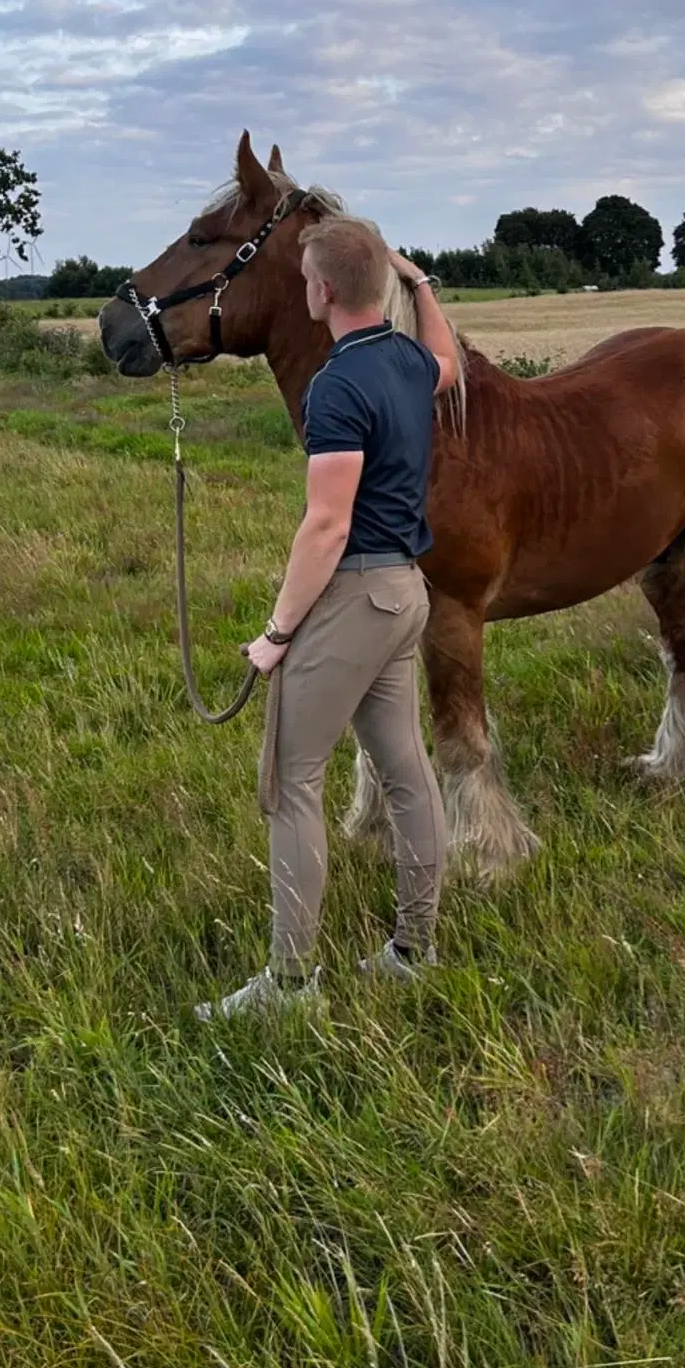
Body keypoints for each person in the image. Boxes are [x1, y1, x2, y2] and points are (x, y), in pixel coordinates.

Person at [195, 215, 458, 1021]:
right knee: (408, 774)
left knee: (290, 782)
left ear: (319, 290)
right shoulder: (408, 362)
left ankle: (290, 985)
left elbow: (325, 526)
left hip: (354, 597)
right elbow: (448, 363)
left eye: (308, 276)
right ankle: (414, 952)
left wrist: (276, 634)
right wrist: (420, 285)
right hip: (406, 595)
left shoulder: (335, 385)